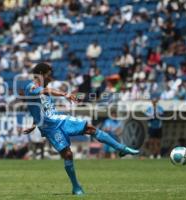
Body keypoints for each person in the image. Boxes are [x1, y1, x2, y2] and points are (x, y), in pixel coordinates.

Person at [22, 63, 139, 195]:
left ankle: (121, 148)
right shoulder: (31, 87)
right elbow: (43, 93)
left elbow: (38, 109)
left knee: (90, 128)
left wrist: (34, 123)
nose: (51, 78)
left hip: (57, 120)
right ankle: (76, 187)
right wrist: (65, 94)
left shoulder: (44, 90)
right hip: (50, 128)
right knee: (68, 154)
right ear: (41, 75)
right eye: (49, 76)